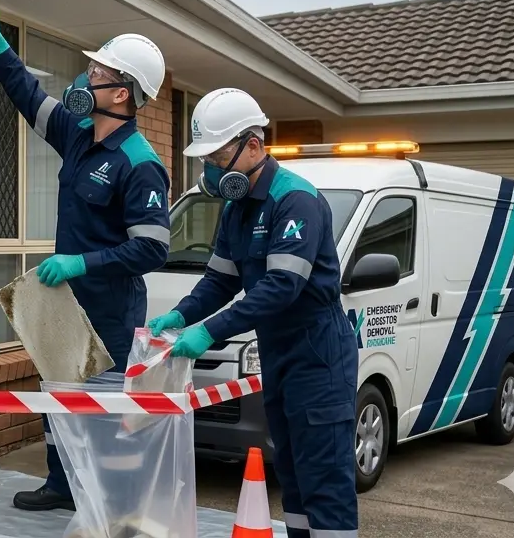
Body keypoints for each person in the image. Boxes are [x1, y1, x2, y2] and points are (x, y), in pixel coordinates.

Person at [0, 6, 172, 512]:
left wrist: (83, 264)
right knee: (58, 400)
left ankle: (109, 503)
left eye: (99, 73)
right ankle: (61, 484)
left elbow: (152, 247)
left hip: (109, 315)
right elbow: (28, 96)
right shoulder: (78, 136)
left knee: (101, 413)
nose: (87, 76)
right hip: (65, 309)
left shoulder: (140, 164)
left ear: (122, 92)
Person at [147, 88, 358, 538]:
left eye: (217, 155)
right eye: (206, 158)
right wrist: (182, 315)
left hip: (318, 353)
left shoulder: (294, 200)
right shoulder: (236, 209)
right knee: (293, 478)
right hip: (278, 351)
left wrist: (210, 332)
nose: (210, 169)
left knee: (324, 479)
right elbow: (220, 280)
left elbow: (282, 285)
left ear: (254, 146)